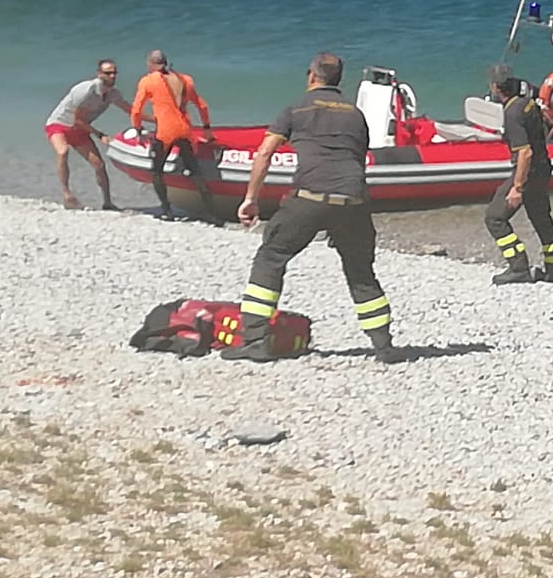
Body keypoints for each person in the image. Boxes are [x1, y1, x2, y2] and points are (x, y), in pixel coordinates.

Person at [223, 52, 400, 364]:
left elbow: (265, 153)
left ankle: (254, 340)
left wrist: (251, 199)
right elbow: (357, 161)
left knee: (271, 257)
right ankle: (384, 346)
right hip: (354, 200)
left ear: (311, 76)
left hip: (309, 197)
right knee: (360, 270)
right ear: (339, 80)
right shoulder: (355, 115)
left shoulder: (296, 109)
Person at [482, 64, 553, 286]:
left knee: (494, 218)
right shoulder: (529, 104)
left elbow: (524, 152)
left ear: (496, 88)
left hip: (529, 171)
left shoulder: (512, 113)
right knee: (541, 217)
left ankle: (519, 267)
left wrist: (517, 188)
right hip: (543, 167)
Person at [130, 49, 213, 216]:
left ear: (150, 64)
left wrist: (138, 128)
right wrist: (206, 129)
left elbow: (136, 110)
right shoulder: (186, 80)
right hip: (184, 130)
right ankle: (211, 212)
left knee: (157, 171)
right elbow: (202, 106)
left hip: (165, 132)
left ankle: (166, 210)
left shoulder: (148, 81)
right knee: (195, 171)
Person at [44, 59, 129, 210]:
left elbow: (129, 109)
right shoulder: (87, 90)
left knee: (99, 165)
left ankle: (107, 202)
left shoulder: (113, 94)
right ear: (99, 74)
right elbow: (77, 120)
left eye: (115, 73)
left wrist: (156, 119)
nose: (113, 76)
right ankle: (67, 195)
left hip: (79, 129)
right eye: (108, 73)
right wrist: (100, 135)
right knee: (63, 151)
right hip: (59, 124)